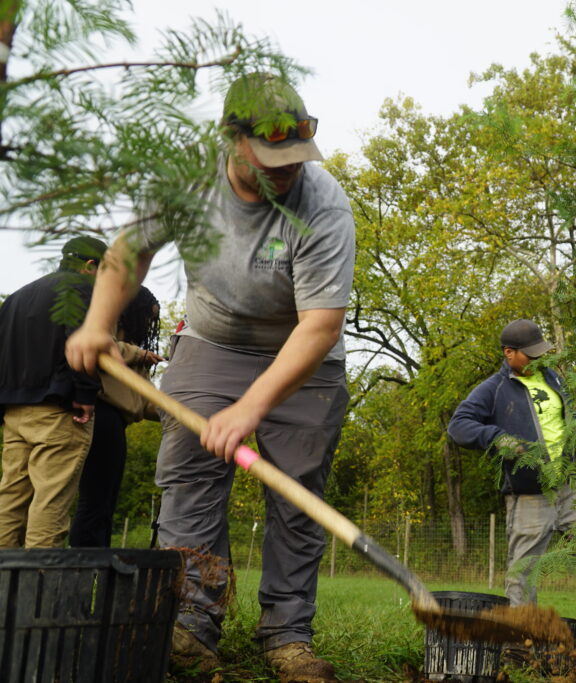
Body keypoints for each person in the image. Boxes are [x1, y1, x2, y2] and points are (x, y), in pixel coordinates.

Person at [66, 73, 355, 683]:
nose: (287, 171)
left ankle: (287, 635)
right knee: (188, 477)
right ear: (232, 141)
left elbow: (320, 327)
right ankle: (193, 622)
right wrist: (98, 322)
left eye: (296, 158)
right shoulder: (186, 181)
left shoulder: (323, 205)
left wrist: (250, 408)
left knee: (297, 490)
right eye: (272, 158)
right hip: (212, 342)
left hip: (303, 354)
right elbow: (129, 252)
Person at [447, 319, 576, 668]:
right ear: (509, 354)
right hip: (529, 496)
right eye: (530, 354)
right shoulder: (494, 388)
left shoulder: (555, 380)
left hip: (570, 489)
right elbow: (459, 425)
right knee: (523, 571)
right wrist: (497, 439)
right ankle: (522, 646)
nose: (539, 359)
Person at [0, 235, 107, 548]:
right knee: (50, 502)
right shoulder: (82, 290)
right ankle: (39, 591)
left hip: (14, 414)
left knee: (10, 500)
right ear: (91, 265)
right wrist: (86, 396)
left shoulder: (17, 297)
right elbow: (82, 344)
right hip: (59, 413)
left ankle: (4, 592)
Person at [69, 286, 163, 548]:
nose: (149, 323)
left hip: (117, 424)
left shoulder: (134, 350)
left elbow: (145, 403)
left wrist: (178, 413)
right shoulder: (109, 333)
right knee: (94, 500)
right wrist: (139, 354)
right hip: (101, 416)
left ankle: (99, 561)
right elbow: (97, 344)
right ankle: (84, 564)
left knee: (107, 500)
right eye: (147, 315)